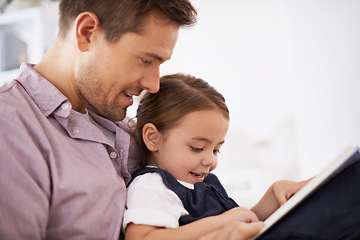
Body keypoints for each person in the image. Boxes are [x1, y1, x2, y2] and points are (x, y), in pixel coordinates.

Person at [0, 1, 197, 239]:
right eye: (146, 60)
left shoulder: (124, 125)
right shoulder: (10, 128)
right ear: (87, 32)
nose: (154, 85)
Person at [123, 73, 309, 240]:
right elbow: (141, 237)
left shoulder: (205, 183)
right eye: (197, 148)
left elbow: (242, 225)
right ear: (153, 138)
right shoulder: (151, 185)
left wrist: (274, 198)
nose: (210, 160)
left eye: (215, 150)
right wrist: (222, 222)